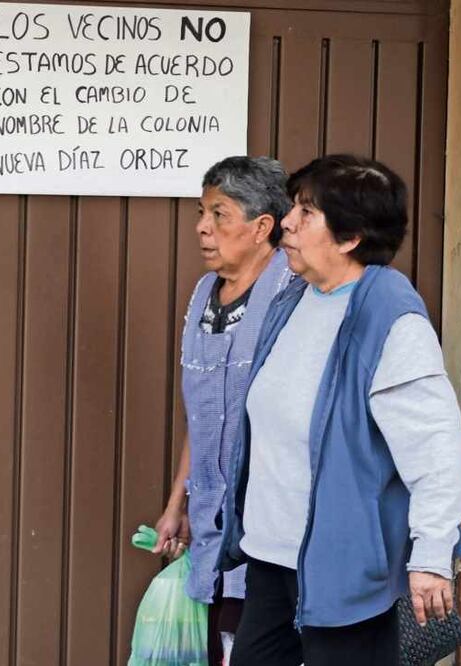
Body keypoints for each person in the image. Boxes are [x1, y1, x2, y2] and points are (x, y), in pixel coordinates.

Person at [217, 155, 461, 666]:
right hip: (271, 561)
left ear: (350, 237)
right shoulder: (296, 299)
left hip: (345, 573)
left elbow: (435, 451)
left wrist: (432, 557)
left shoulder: (391, 321)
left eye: (306, 213)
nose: (286, 221)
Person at [152, 156, 293, 666]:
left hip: (270, 526)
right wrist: (178, 502)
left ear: (262, 227)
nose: (202, 228)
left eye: (219, 214)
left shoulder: (290, 295)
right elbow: (203, 413)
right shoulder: (204, 295)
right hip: (213, 523)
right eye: (201, 213)